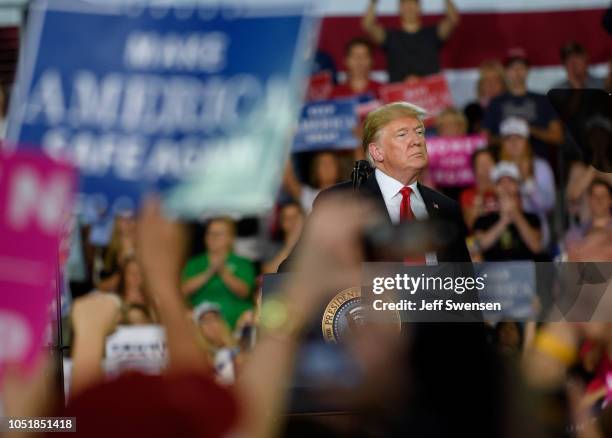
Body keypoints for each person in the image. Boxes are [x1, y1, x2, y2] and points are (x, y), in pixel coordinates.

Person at [483, 48, 563, 159]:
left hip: (537, 161)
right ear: (506, 72)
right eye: (512, 68)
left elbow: (558, 136)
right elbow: (484, 138)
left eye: (521, 67)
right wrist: (510, 136)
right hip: (504, 165)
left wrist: (530, 129)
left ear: (527, 70)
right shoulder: (495, 103)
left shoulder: (544, 101)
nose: (517, 72)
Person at [181, 217, 256, 330]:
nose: (213, 238)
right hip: (200, 327)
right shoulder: (194, 263)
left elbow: (245, 292)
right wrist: (208, 272)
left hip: (236, 327)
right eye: (210, 233)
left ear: (231, 238)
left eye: (218, 234)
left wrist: (222, 271)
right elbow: (183, 290)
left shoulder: (242, 263)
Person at [362, 0, 460, 82]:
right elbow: (368, 24)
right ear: (399, 9)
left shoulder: (433, 34)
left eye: (413, 3)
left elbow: (453, 19)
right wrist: (374, 2)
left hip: (429, 97)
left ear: (420, 8)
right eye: (405, 4)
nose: (409, 7)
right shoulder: (389, 37)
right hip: (400, 98)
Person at [472, 161, 544, 261]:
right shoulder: (483, 220)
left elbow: (536, 247)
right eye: (500, 182)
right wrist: (504, 221)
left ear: (518, 186)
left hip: (525, 271)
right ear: (494, 188)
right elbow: (480, 246)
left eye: (510, 181)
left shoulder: (532, 218)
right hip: (493, 272)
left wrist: (516, 215)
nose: (506, 186)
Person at [498, 117, 556, 215]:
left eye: (518, 138)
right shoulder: (497, 168)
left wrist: (527, 179)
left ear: (526, 142)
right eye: (508, 139)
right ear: (503, 144)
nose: (514, 143)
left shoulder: (541, 166)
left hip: (535, 224)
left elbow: (548, 205)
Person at [464, 60, 507, 134]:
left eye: (495, 80)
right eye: (486, 80)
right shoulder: (471, 110)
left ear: (503, 84)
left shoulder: (510, 106)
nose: (491, 85)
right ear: (480, 85)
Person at [460, 148, 498, 230]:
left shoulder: (506, 188)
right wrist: (480, 195)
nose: (485, 167)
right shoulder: (467, 194)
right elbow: (469, 224)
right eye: (481, 164)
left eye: (488, 162)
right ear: (474, 169)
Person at [262, 202, 304, 274]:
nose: (292, 222)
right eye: (287, 218)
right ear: (281, 222)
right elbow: (268, 274)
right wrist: (290, 245)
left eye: (295, 217)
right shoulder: (272, 247)